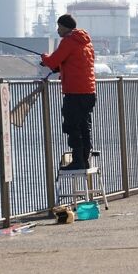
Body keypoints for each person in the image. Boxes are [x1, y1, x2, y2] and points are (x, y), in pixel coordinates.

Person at [41, 14, 96, 170]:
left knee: (72, 126)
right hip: (89, 92)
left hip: (74, 92)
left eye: (59, 27)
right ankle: (84, 159)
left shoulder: (68, 41)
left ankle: (78, 160)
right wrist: (60, 67)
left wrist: (44, 57)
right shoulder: (87, 43)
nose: (58, 30)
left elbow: (52, 61)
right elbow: (75, 63)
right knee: (84, 126)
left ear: (65, 27)